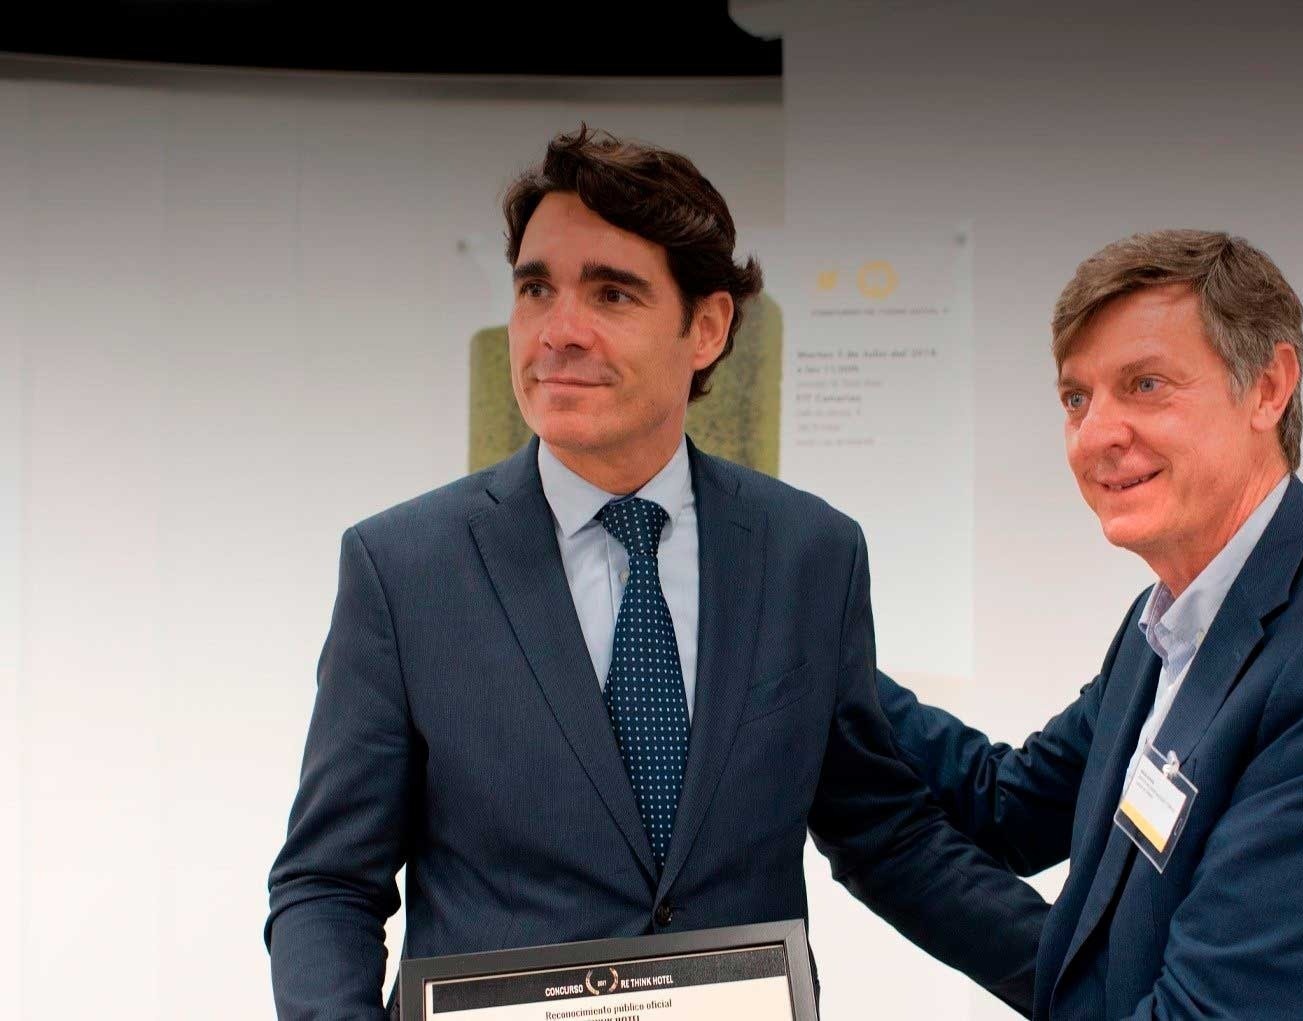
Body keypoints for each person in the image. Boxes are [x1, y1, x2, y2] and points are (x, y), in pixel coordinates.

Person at [265, 127, 1046, 1019]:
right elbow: (328, 884)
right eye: (535, 289)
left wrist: (1093, 989)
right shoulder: (403, 569)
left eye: (612, 292)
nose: (560, 330)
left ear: (706, 327)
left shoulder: (809, 554)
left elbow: (885, 832)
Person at [879, 229, 1303, 1020]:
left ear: (1269, 386)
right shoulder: (1166, 628)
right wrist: (814, 660)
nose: (1097, 434)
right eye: (1076, 397)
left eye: (1144, 384)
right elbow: (1005, 807)